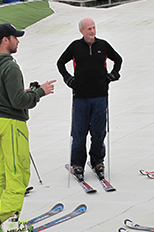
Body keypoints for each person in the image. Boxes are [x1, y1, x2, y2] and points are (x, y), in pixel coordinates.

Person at [0, 23, 56, 232]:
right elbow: (18, 101)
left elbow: (4, 95)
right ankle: (10, 220)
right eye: (15, 37)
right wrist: (40, 92)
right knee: (17, 172)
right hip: (12, 124)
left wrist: (25, 92)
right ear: (6, 40)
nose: (18, 41)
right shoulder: (10, 66)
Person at [56, 17, 122, 179]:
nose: (92, 31)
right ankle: (77, 164)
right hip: (81, 97)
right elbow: (60, 63)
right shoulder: (75, 46)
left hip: (100, 96)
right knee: (79, 132)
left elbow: (118, 60)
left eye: (93, 28)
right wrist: (68, 79)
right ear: (81, 31)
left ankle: (97, 161)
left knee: (98, 132)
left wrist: (112, 75)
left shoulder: (103, 45)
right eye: (88, 29)